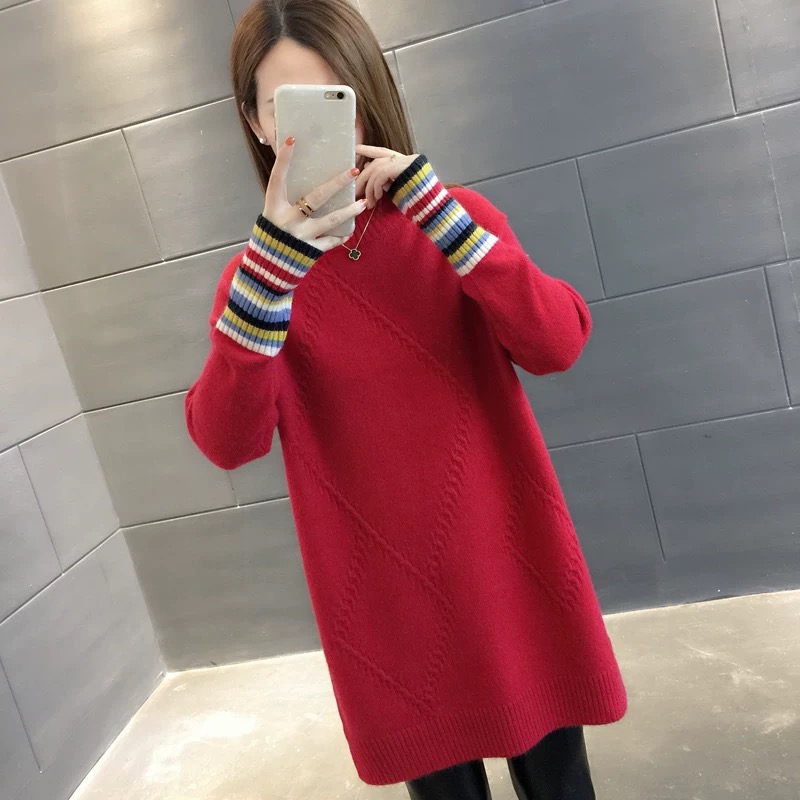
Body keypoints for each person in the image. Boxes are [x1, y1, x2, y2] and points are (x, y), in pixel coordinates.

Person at [185, 1, 628, 797]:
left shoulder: (454, 221)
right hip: (388, 613)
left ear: (368, 91)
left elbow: (557, 343)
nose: (315, 129)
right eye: (286, 107)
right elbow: (227, 440)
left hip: (511, 569)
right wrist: (271, 275)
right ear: (254, 122)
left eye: (335, 96)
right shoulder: (255, 286)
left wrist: (442, 219)